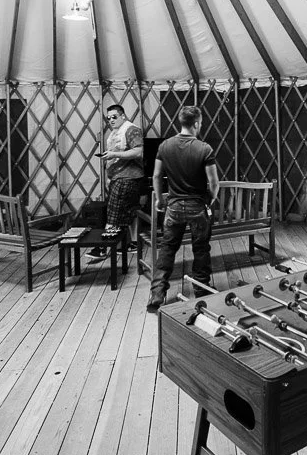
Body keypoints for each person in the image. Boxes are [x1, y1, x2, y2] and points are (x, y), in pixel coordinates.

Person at [148, 105, 220, 312]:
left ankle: (157, 294)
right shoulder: (204, 149)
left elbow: (156, 176)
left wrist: (161, 200)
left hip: (174, 207)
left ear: (180, 121)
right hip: (197, 208)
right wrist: (210, 200)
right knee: (201, 249)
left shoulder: (165, 146)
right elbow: (213, 182)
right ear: (197, 123)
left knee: (167, 249)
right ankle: (201, 290)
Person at [90, 103, 145, 259]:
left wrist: (114, 154)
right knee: (130, 211)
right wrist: (109, 176)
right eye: (108, 118)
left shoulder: (132, 130)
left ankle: (103, 248)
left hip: (127, 178)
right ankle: (133, 243)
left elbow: (139, 151)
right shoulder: (116, 132)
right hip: (121, 177)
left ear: (123, 116)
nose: (111, 120)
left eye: (114, 117)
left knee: (113, 213)